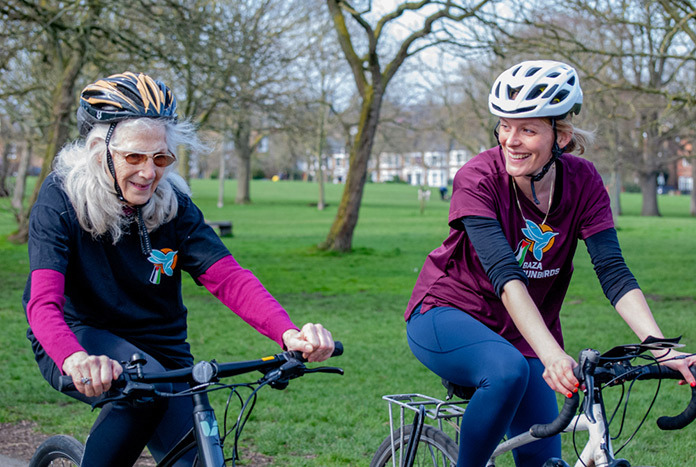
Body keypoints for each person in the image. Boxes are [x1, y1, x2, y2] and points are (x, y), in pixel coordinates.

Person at [23, 71, 335, 466]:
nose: (149, 172)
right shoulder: (60, 199)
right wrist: (75, 359)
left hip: (164, 349)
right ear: (97, 150)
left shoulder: (173, 203)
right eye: (133, 157)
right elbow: (42, 304)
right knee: (141, 394)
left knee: (200, 457)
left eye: (161, 158)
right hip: (79, 337)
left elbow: (228, 277)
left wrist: (289, 332)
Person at [404, 60, 696, 466]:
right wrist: (553, 354)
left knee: (543, 460)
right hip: (446, 312)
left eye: (527, 129)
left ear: (561, 135)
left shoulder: (584, 181)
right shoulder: (478, 178)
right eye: (505, 125)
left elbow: (612, 271)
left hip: (524, 332)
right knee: (506, 371)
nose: (511, 140)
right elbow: (506, 275)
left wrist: (661, 348)